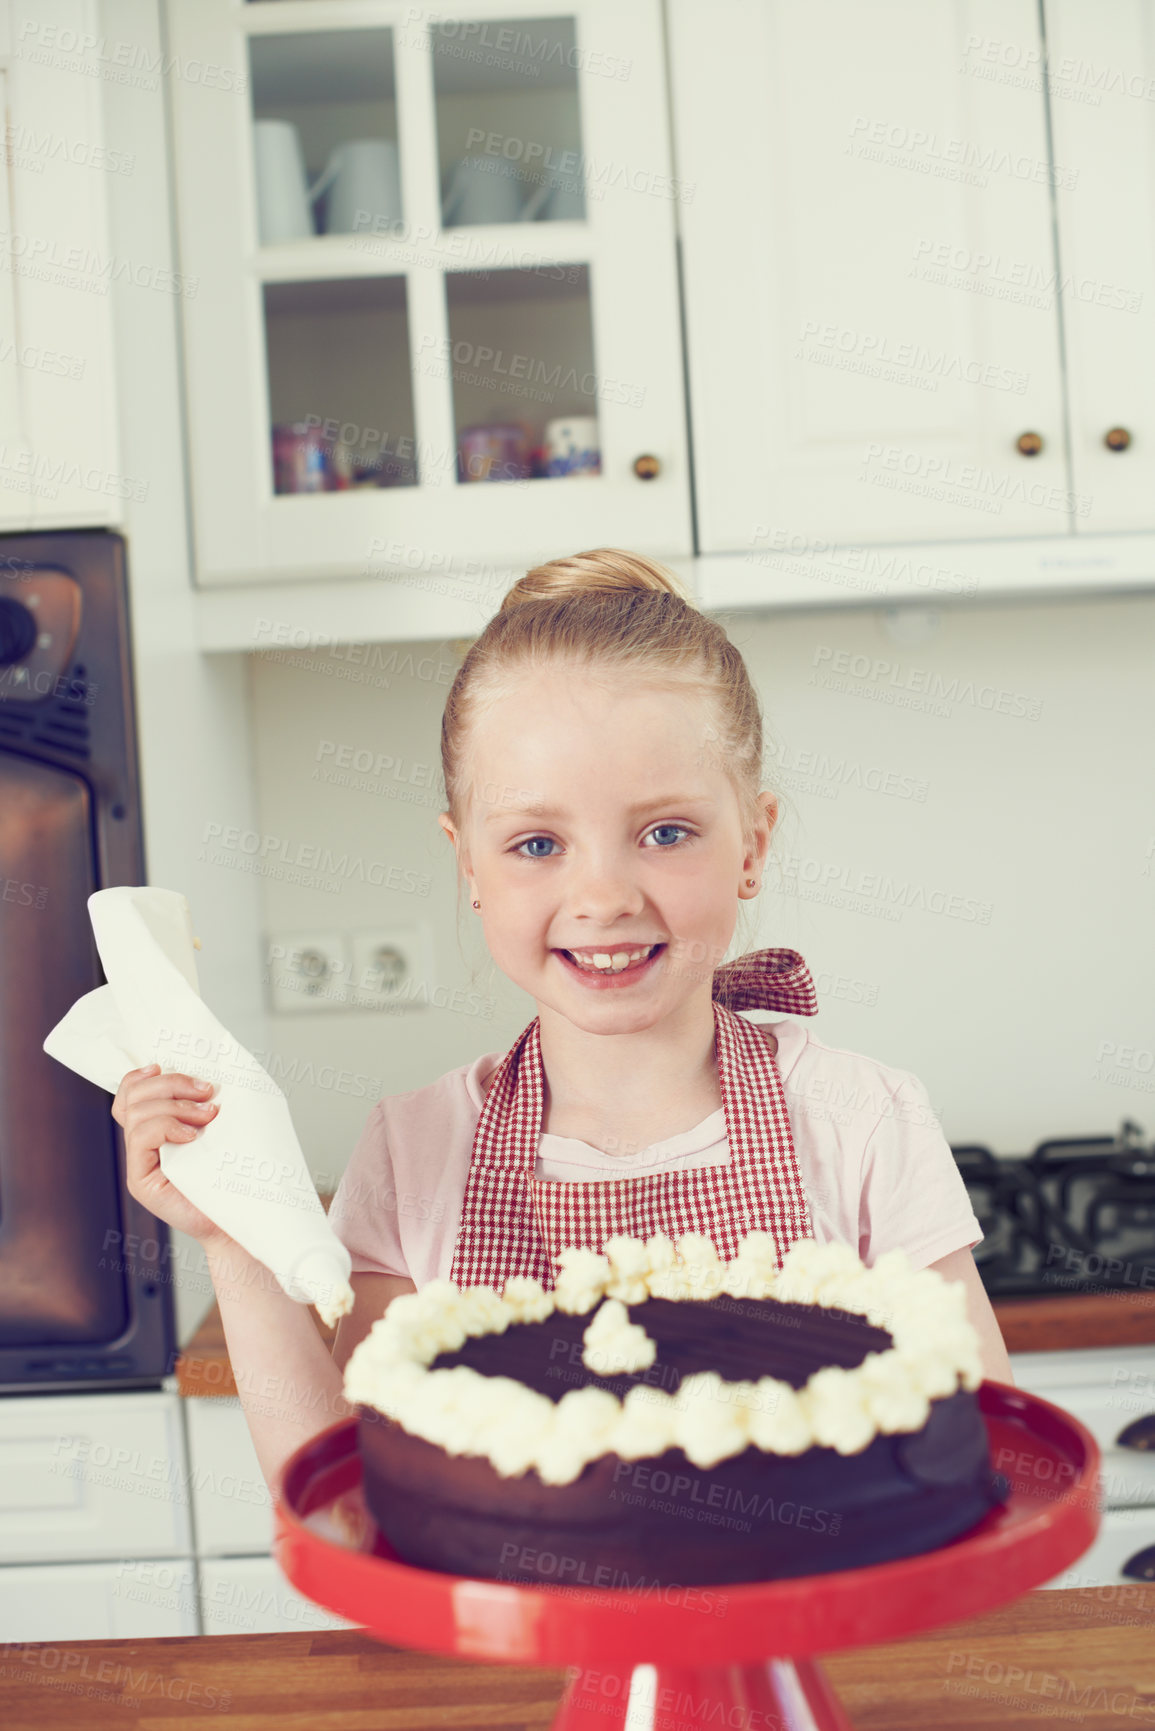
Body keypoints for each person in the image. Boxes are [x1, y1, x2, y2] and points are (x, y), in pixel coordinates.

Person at [113, 548, 1012, 1491]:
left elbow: (980, 1462)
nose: (602, 895)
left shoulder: (863, 1119)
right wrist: (232, 1241)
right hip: (514, 1643)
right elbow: (345, 1505)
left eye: (665, 832)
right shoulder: (416, 1149)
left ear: (753, 844)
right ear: (467, 864)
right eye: (536, 843)